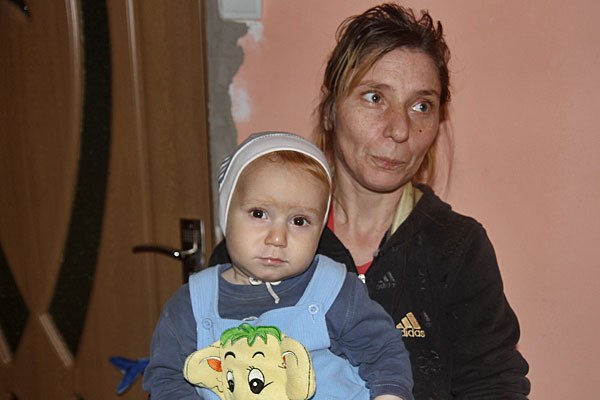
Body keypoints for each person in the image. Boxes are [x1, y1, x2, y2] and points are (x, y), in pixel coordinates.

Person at [211, 4, 530, 399]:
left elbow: (494, 386)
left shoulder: (458, 249)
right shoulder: (259, 240)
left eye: (421, 106)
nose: (399, 129)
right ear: (331, 110)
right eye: (375, 97)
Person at [143, 132, 414, 400]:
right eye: (259, 214)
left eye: (299, 221)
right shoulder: (191, 305)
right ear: (226, 214)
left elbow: (383, 352)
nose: (277, 238)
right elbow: (167, 379)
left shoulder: (334, 290)